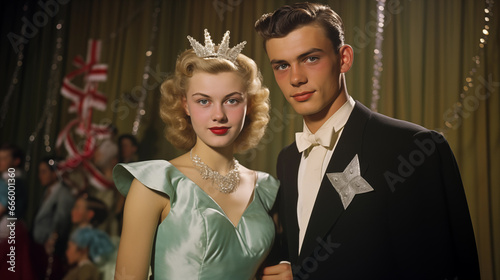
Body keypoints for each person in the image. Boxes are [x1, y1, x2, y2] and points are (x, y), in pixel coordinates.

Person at [255, 3, 480, 279]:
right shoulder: (288, 160)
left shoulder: (414, 147)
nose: (296, 78)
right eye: (281, 65)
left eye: (311, 58)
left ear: (344, 58)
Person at [113, 29, 278, 279]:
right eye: (203, 101)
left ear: (249, 104)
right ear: (184, 105)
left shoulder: (266, 188)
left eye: (232, 100)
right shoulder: (155, 184)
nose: (218, 115)